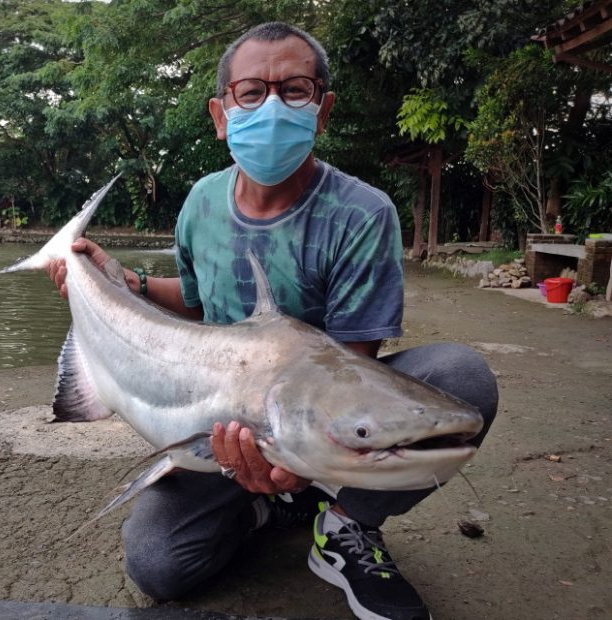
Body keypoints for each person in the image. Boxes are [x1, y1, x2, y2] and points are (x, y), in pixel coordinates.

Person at [49, 22, 497, 620]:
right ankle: (265, 507)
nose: (273, 105)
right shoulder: (201, 201)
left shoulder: (363, 212)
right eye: (251, 92)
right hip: (225, 428)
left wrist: (291, 461)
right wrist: (120, 281)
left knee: (461, 378)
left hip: (316, 419)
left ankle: (344, 526)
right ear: (221, 112)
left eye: (294, 89)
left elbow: (350, 370)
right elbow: (194, 296)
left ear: (322, 109)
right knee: (158, 567)